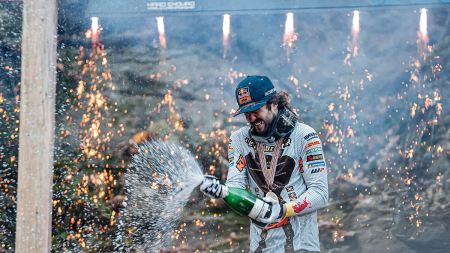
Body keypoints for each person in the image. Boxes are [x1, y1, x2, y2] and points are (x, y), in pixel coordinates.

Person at [201, 75, 328, 253]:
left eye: (256, 109)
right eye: (246, 112)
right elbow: (235, 187)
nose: (251, 117)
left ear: (274, 103)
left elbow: (321, 194)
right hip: (261, 247)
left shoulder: (305, 136)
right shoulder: (238, 139)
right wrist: (221, 191)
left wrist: (282, 210)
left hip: (302, 246)